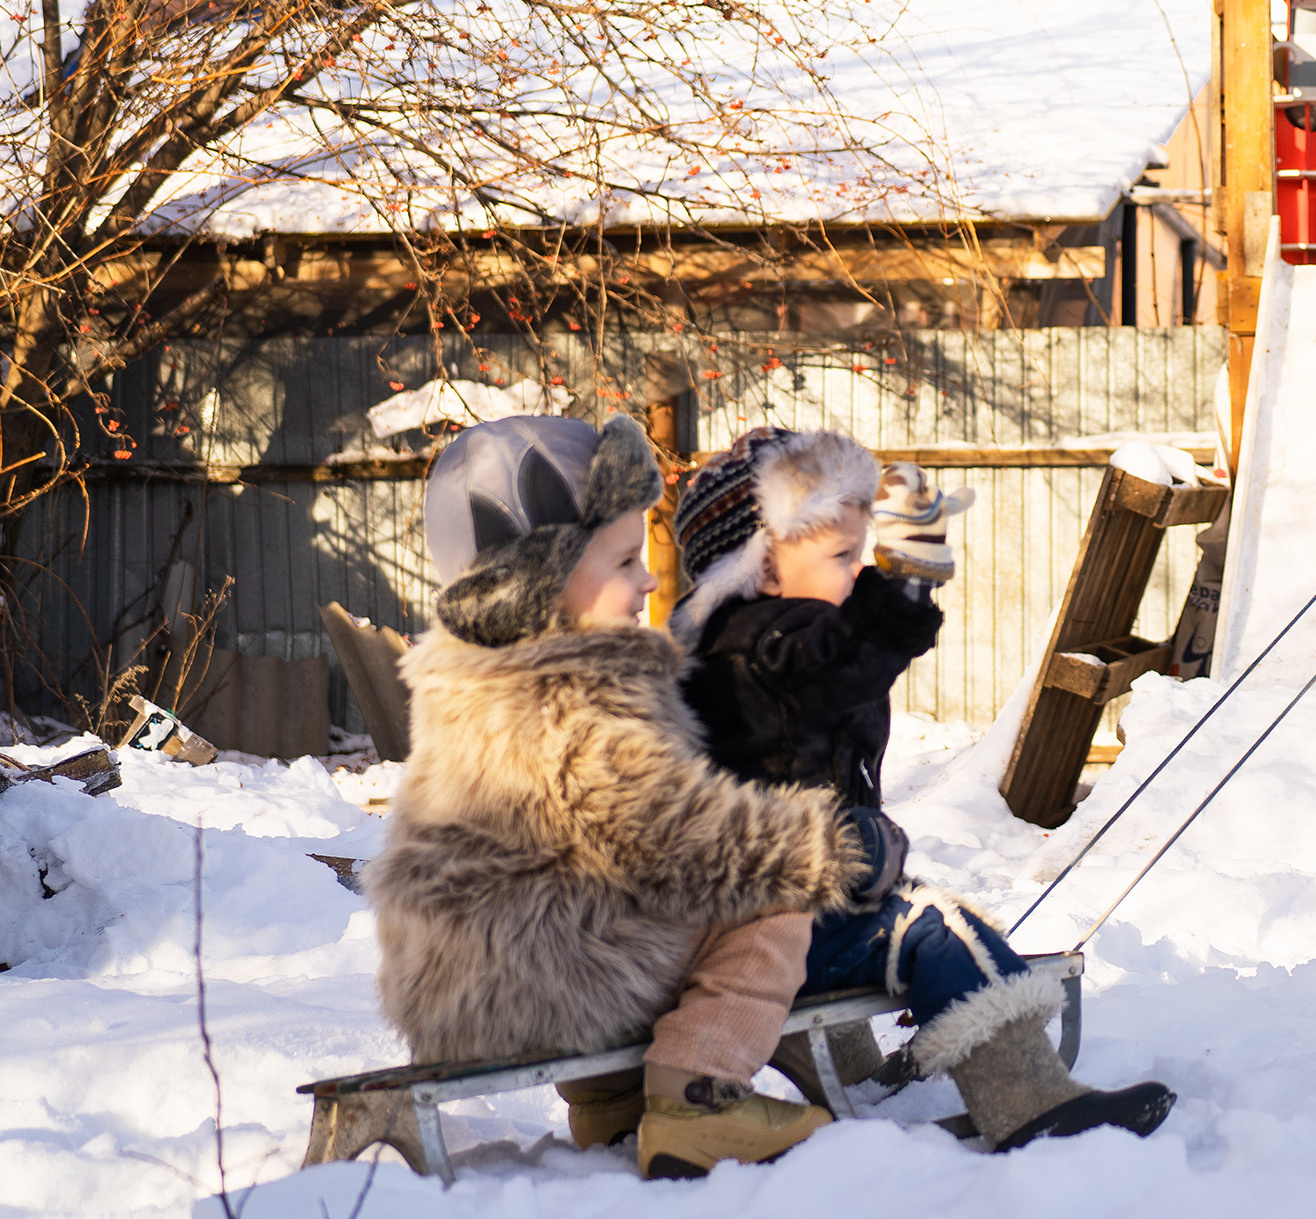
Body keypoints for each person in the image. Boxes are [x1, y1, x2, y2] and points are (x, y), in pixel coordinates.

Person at [365, 417, 1165, 1184]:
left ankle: (612, 1104)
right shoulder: (574, 694)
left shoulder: (489, 682)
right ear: (536, 589)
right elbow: (678, 843)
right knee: (786, 898)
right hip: (546, 973)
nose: (648, 576)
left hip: (492, 965)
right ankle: (698, 1096)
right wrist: (833, 850)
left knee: (753, 896)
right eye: (619, 563)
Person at [665, 424, 1172, 1146]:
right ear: (762, 566)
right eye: (844, 556)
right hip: (771, 917)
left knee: (896, 904)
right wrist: (902, 588)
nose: (858, 570)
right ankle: (1025, 1095)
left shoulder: (757, 641)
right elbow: (845, 663)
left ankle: (851, 1074)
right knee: (936, 930)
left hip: (774, 907)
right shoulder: (768, 644)